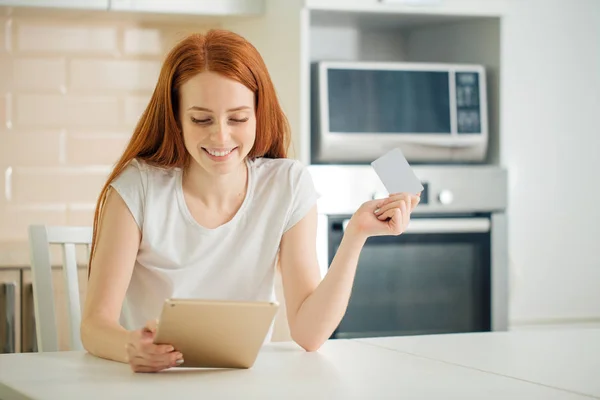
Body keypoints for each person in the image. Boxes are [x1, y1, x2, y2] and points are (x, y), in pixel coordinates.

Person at [80, 29, 420, 373]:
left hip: (247, 385)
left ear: (258, 114)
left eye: (238, 118)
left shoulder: (287, 184)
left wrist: (355, 235)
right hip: (155, 383)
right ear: (176, 118)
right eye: (201, 119)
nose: (221, 136)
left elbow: (310, 334)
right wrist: (130, 347)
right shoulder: (137, 187)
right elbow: (94, 326)